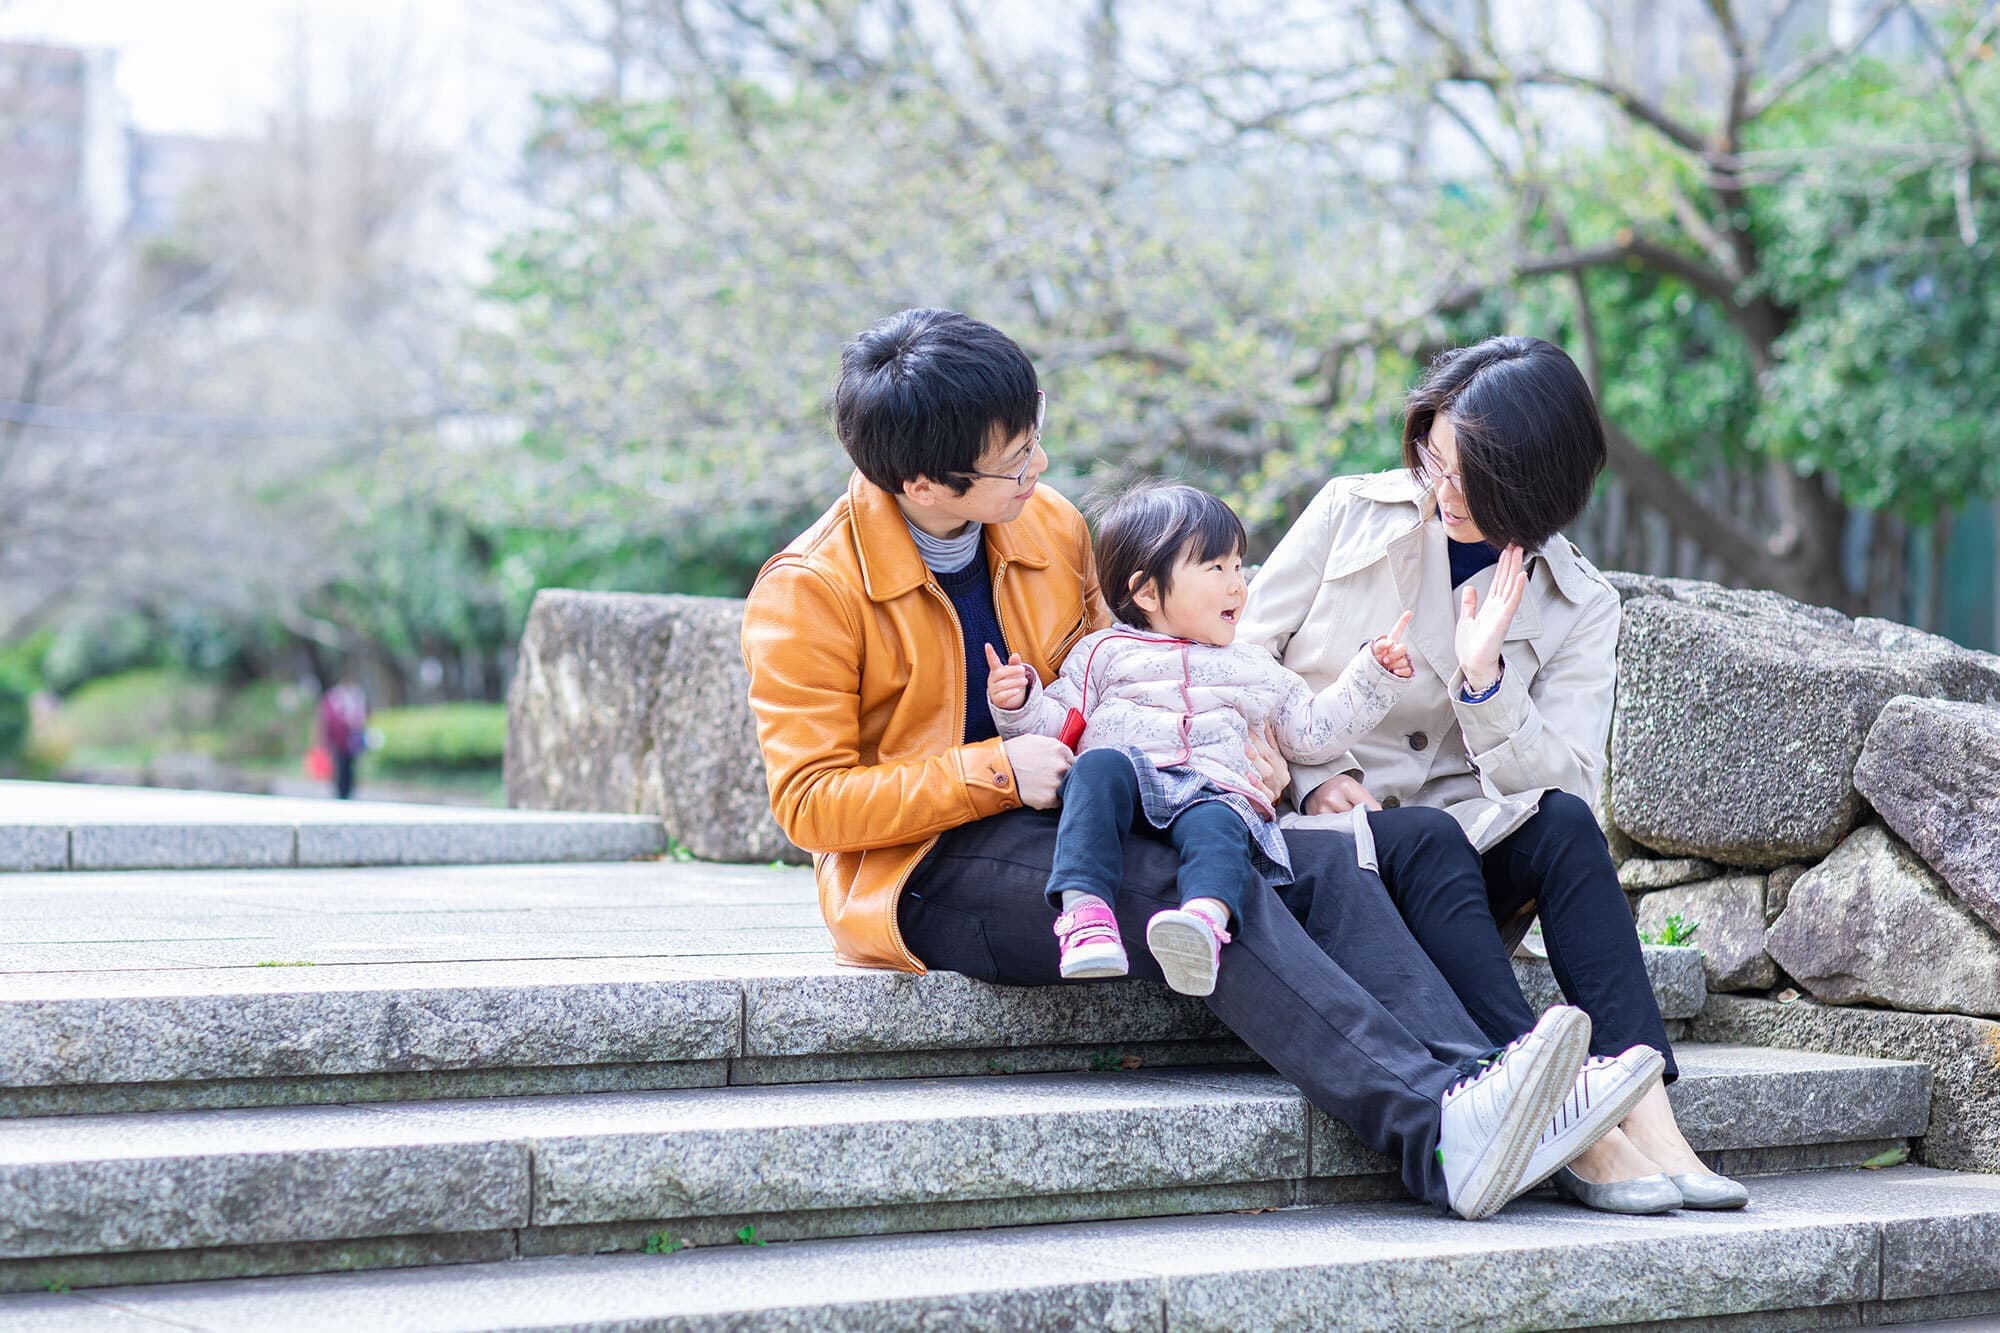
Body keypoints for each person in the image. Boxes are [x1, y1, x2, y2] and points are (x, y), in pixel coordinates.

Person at [741, 308, 1656, 1221]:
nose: (1041, 469)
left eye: (1036, 434)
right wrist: (997, 772)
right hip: (929, 865)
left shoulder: (1049, 528)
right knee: (1207, 887)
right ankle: (1438, 1131)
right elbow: (810, 804)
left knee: (1326, 860)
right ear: (924, 481)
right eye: (1015, 459)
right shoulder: (811, 589)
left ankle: (1491, 1081)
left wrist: (1228, 761)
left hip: (1093, 808)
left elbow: (1132, 675)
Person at [1239, 334, 1748, 1214]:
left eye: (1469, 476)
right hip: (1332, 846)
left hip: (1456, 874)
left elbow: (1568, 784)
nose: (1444, 491)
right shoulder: (1347, 513)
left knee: (1562, 828)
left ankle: (1653, 1117)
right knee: (1431, 832)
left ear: (1535, 482)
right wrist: (1316, 768)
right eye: (1434, 461)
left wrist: (1487, 684)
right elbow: (1237, 658)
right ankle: (1562, 1111)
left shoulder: (1583, 602)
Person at [986, 480, 1416, 994]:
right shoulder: (1102, 652)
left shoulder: (1255, 665)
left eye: (1239, 565)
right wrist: (1018, 703)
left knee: (1223, 820)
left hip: (1210, 788)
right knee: (1096, 768)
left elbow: (1308, 735)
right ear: (1146, 591)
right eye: (1216, 568)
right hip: (1130, 781)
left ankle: (1203, 923)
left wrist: (1370, 676)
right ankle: (1085, 915)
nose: (1238, 585)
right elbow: (1057, 728)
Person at [316, 676, 369, 801]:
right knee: (340, 765)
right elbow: (327, 719)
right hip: (338, 739)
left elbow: (363, 717)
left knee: (350, 766)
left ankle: (348, 790)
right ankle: (340, 791)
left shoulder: (357, 697)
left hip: (352, 739)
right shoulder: (334, 698)